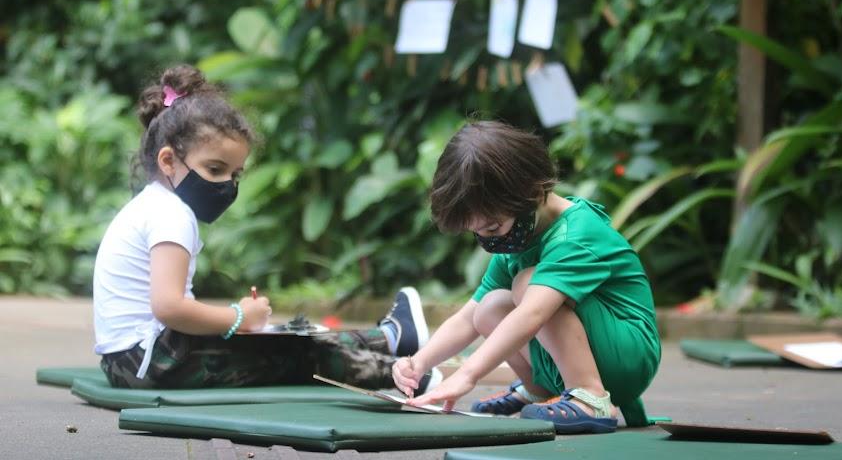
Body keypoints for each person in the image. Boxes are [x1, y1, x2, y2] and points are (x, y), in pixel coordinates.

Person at [92, 65, 437, 391]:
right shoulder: (172, 215)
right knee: (288, 352)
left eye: (235, 174)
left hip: (133, 360)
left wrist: (239, 322)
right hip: (149, 362)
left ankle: (391, 338)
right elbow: (168, 307)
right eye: (215, 169)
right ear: (168, 160)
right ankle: (399, 375)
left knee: (270, 337)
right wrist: (238, 317)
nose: (227, 184)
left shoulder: (154, 204)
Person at [392, 120, 660, 433]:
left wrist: (468, 375)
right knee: (489, 307)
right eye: (476, 232)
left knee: (526, 285)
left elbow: (533, 313)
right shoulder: (518, 238)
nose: (488, 239)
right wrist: (419, 363)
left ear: (532, 193)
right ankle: (541, 392)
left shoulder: (575, 234)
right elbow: (468, 318)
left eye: (491, 228)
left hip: (627, 357)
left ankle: (590, 397)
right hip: (587, 354)